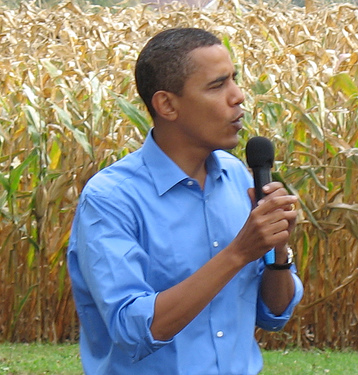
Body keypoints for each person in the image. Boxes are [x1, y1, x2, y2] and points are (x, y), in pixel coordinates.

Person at [67, 27, 303, 375]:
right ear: (167, 105)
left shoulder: (238, 177)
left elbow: (273, 315)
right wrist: (238, 252)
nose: (238, 97)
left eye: (234, 80)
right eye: (217, 85)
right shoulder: (110, 200)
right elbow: (133, 330)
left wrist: (276, 251)